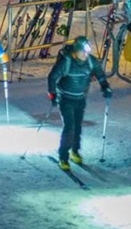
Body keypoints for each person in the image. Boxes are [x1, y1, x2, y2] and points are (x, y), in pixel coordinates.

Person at [47, 36, 112, 170]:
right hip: (66, 99)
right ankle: (63, 156)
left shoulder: (90, 61)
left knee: (77, 127)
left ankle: (75, 151)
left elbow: (99, 73)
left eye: (87, 52)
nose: (85, 54)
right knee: (69, 127)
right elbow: (52, 77)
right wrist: (53, 94)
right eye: (83, 52)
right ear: (75, 52)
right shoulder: (67, 61)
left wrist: (105, 86)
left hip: (80, 98)